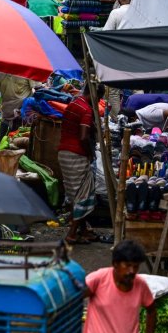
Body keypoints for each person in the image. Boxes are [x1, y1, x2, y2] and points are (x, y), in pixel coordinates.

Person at [82, 240, 156, 333]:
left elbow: (151, 310)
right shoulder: (98, 279)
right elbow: (74, 297)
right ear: (115, 264)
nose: (131, 271)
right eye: (127, 266)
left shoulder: (140, 286)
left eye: (135, 267)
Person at [58, 85, 97, 245]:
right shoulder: (86, 110)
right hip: (77, 154)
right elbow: (83, 136)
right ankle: (72, 234)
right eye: (99, 97)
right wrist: (91, 153)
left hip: (63, 152)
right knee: (83, 195)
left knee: (76, 194)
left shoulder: (74, 104)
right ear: (95, 94)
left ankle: (84, 230)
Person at [0, 72, 39, 138]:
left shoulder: (27, 70)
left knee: (18, 143)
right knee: (1, 141)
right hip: (6, 115)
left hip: (23, 117)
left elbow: (38, 89)